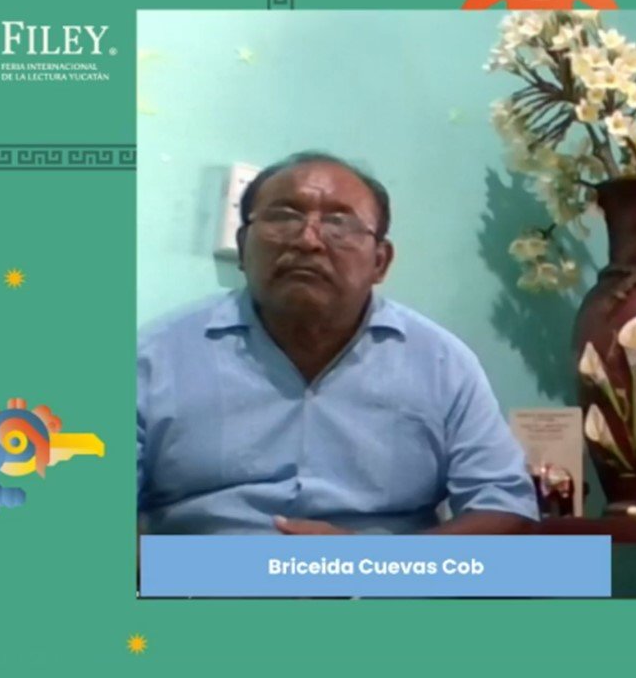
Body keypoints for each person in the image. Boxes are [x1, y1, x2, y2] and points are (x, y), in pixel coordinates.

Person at [138, 151, 538, 535]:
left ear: (380, 261)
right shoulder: (153, 358)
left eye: (339, 223)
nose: (308, 241)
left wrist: (369, 563)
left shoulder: (442, 363)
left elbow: (506, 507)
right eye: (284, 217)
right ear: (243, 247)